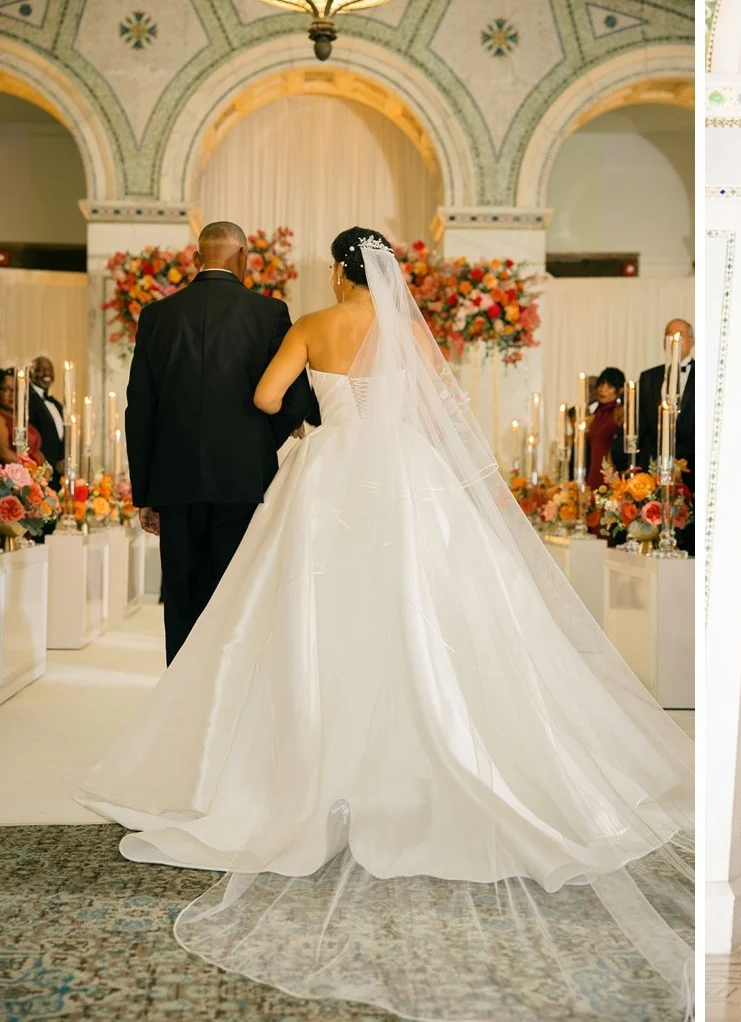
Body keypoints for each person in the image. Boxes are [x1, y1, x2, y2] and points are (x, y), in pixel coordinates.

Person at [75, 228, 693, 1020]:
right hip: (407, 479)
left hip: (331, 477)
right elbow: (444, 417)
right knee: (428, 614)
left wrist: (312, 421)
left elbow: (267, 399)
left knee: (305, 620)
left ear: (338, 270)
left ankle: (307, 768)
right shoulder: (406, 334)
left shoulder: (309, 325)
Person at [122, 222, 317, 664]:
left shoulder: (156, 316)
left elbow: (141, 410)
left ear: (195, 259)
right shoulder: (269, 313)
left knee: (183, 599)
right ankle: (224, 696)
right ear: (244, 258)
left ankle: (179, 694)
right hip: (244, 481)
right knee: (235, 595)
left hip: (173, 484)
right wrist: (256, 444)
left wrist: (145, 494)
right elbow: (295, 400)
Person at [636, 318, 694, 553]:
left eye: (680, 336)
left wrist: (683, 462)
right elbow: (642, 427)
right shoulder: (648, 377)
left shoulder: (705, 375)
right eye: (670, 336)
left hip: (691, 469)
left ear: (692, 340)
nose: (675, 342)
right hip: (655, 469)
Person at [585, 366, 627, 489]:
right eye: (601, 385)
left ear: (619, 390)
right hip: (593, 473)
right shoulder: (597, 414)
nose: (603, 390)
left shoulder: (620, 415)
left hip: (610, 476)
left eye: (609, 387)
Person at [27, 356, 64, 486]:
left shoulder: (57, 405)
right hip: (38, 473)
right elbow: (29, 438)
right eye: (40, 369)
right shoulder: (27, 400)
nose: (46, 373)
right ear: (30, 372)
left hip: (57, 475)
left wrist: (62, 460)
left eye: (49, 369)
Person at [0, 369, 43, 465]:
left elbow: (35, 450)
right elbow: (3, 453)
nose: (12, 395)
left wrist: (46, 468)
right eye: (7, 389)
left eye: (16, 390)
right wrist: (31, 469)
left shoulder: (20, 417)